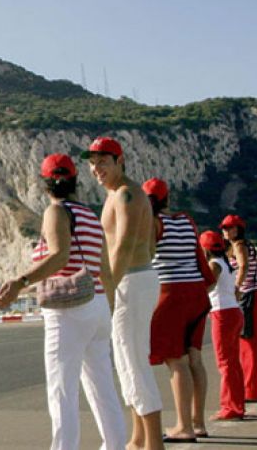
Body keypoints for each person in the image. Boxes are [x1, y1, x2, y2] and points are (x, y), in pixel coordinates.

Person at [0, 153, 126, 450]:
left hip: (68, 309)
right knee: (102, 387)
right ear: (75, 180)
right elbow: (104, 268)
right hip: (96, 305)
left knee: (62, 391)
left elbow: (60, 255)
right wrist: (108, 308)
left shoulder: (56, 212)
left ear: (44, 185)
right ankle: (116, 445)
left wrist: (20, 282)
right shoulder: (90, 216)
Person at [82, 137, 164, 450]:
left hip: (130, 281)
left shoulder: (127, 194)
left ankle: (155, 443)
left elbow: (123, 247)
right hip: (133, 280)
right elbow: (148, 244)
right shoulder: (118, 194)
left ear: (120, 161)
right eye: (92, 162)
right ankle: (138, 437)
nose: (96, 168)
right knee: (127, 361)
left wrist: (108, 292)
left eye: (103, 161)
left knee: (134, 362)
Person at [142, 178, 212, 442]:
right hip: (197, 292)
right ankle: (198, 422)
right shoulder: (186, 221)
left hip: (171, 292)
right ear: (167, 199)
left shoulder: (153, 223)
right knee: (195, 358)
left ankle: (183, 426)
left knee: (176, 360)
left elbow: (145, 257)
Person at [219, 214, 257, 402]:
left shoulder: (238, 246)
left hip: (248, 296)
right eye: (224, 228)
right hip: (256, 294)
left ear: (238, 229)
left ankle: (251, 390)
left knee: (248, 342)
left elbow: (243, 267)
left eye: (229, 228)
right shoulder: (249, 246)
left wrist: (236, 289)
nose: (226, 231)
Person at [200, 230, 246, 421]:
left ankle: (231, 407)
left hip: (222, 314)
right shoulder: (226, 264)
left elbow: (207, 286)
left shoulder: (214, 265)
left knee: (225, 362)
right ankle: (237, 403)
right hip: (233, 311)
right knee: (233, 361)